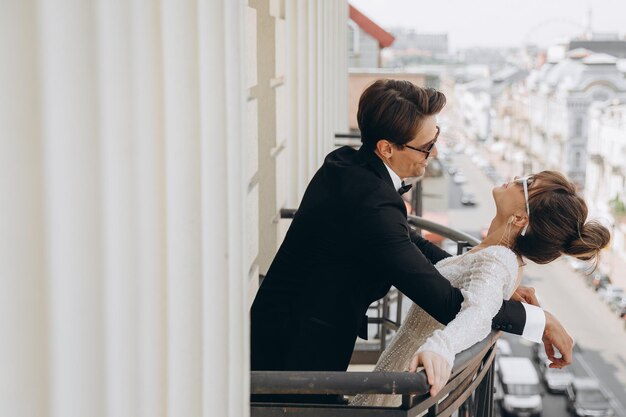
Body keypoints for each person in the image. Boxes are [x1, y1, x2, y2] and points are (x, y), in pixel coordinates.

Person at [250, 79, 576, 403]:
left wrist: (468, 269)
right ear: (387, 148)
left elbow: (405, 239)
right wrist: (538, 320)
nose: (433, 153)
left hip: (285, 327)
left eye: (435, 139)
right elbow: (448, 304)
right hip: (296, 350)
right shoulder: (371, 203)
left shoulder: (349, 165)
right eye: (425, 146)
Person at [351, 171, 610, 406]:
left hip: (399, 384)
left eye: (527, 184)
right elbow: (443, 269)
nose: (518, 178)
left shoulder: (498, 260)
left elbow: (478, 312)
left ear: (520, 218)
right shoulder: (495, 255)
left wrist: (441, 347)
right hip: (394, 368)